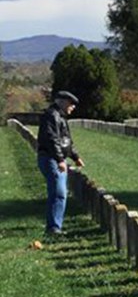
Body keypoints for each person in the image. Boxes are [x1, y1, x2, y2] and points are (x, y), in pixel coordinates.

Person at [37, 90, 85, 235]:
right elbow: (52, 140)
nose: (73, 107)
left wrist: (75, 157)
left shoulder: (60, 117)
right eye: (71, 103)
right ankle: (53, 228)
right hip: (51, 158)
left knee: (60, 192)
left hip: (56, 159)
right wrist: (59, 159)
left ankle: (55, 225)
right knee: (58, 193)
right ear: (62, 101)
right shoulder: (52, 116)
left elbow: (66, 141)